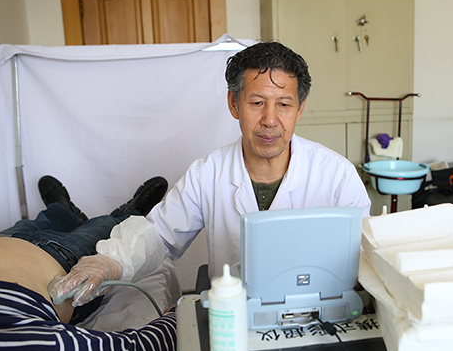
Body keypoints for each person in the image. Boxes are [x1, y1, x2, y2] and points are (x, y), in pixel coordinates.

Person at [52, 41, 372, 305]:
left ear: (300, 108)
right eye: (257, 103)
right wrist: (111, 261)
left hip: (318, 315)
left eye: (284, 105)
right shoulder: (208, 174)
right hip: (232, 315)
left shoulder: (336, 176)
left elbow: (365, 254)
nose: (270, 120)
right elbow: (159, 235)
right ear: (234, 104)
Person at [0, 176, 177, 351]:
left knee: (40, 221)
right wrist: (179, 316)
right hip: (58, 258)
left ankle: (62, 209)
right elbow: (143, 349)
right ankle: (131, 213)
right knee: (103, 228)